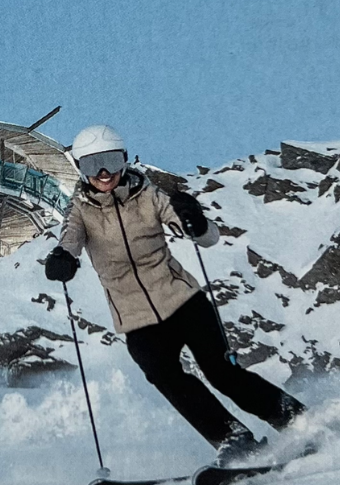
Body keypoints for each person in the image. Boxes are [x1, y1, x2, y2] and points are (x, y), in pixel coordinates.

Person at [44, 125, 304, 466]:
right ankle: (232, 438)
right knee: (166, 378)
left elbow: (203, 236)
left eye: (109, 161)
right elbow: (70, 240)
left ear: (123, 161)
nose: (104, 173)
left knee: (221, 372)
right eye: (93, 165)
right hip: (135, 318)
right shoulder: (80, 211)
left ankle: (295, 420)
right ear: (81, 170)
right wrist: (62, 258)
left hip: (183, 301)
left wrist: (193, 220)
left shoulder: (148, 196)